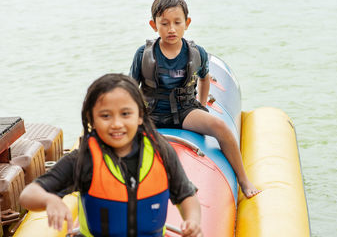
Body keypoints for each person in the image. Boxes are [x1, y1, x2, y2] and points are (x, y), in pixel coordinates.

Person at [19, 73, 202, 237]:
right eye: (105, 116)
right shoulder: (84, 159)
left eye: (125, 114)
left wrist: (192, 221)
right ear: (91, 119)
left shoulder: (161, 151)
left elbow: (186, 195)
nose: (116, 124)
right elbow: (28, 195)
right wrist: (49, 199)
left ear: (139, 116)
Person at [130, 0, 260, 199]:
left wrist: (200, 105)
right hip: (152, 113)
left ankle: (243, 180)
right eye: (164, 23)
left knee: (221, 128)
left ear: (187, 23)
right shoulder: (143, 54)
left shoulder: (196, 53)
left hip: (185, 111)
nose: (171, 29)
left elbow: (204, 79)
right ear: (153, 25)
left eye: (177, 22)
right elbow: (131, 88)